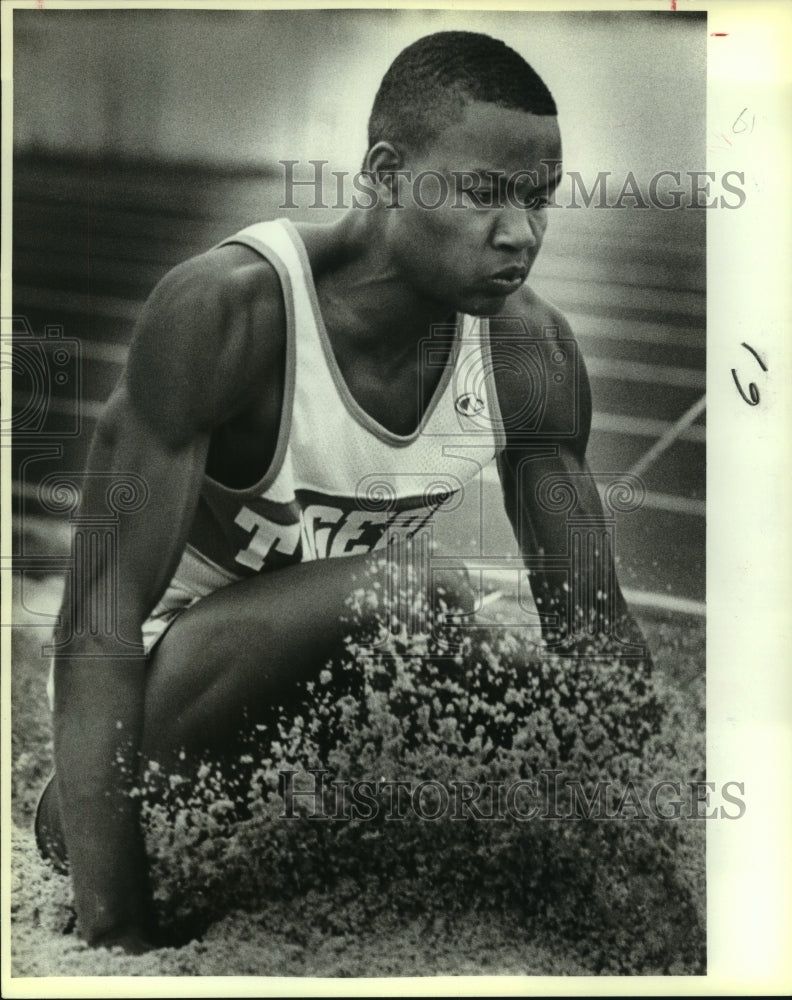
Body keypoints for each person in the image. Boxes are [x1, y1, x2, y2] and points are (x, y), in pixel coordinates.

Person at [35, 30, 650, 953]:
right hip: (166, 728)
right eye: (486, 192)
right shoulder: (230, 311)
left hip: (325, 725)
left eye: (540, 199)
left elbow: (595, 634)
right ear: (386, 172)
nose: (522, 232)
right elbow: (97, 621)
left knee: (537, 692)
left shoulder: (534, 353)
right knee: (417, 593)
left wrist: (640, 840)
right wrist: (116, 920)